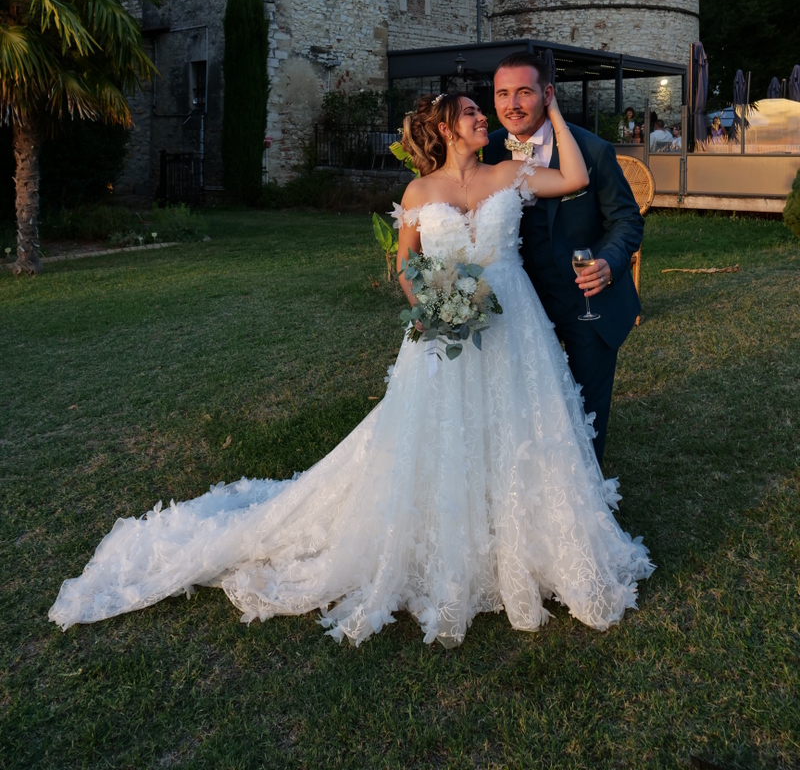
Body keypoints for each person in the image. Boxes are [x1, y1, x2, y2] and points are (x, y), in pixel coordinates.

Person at [49, 91, 653, 648]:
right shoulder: (418, 195)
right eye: (471, 112)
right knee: (444, 434)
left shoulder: (507, 174)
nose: (483, 119)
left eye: (480, 111)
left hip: (514, 323)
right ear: (447, 128)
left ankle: (527, 542)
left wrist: (550, 110)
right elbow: (407, 269)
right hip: (447, 327)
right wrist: (436, 307)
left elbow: (573, 176)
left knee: (522, 427)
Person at [484, 52, 644, 463]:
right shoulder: (486, 155)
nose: (512, 104)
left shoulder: (591, 150)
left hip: (586, 302)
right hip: (519, 305)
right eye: (503, 93)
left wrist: (610, 261)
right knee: (527, 407)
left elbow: (626, 220)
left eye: (524, 91)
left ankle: (589, 507)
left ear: (548, 94)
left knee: (587, 410)